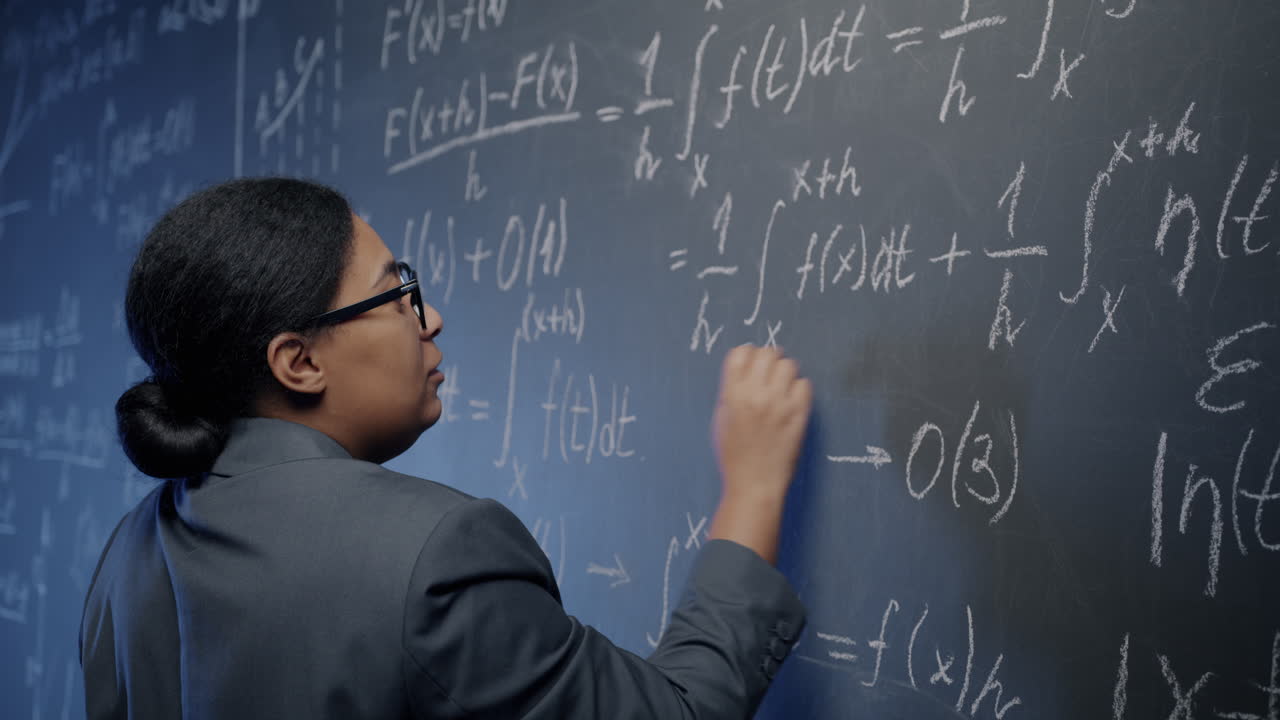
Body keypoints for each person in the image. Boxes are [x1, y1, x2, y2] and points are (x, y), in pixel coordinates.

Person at [80, 177, 813, 719]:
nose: (428, 316)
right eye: (395, 292)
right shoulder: (436, 555)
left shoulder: (127, 557)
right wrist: (752, 492)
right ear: (298, 362)